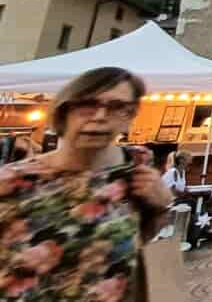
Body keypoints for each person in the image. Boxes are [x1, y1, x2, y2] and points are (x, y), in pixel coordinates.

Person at [0, 67, 173, 300]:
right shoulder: (12, 180)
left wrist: (162, 205)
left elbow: (142, 240)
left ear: (130, 117)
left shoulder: (135, 167)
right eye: (87, 104)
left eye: (116, 107)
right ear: (64, 112)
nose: (100, 116)